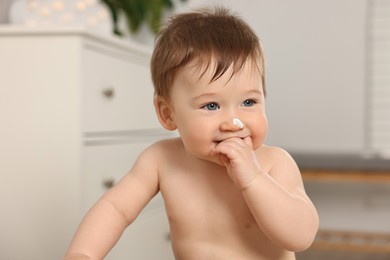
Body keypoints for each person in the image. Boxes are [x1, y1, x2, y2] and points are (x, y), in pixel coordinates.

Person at [64, 6, 319, 260]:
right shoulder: (161, 160)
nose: (233, 122)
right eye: (211, 105)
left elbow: (300, 236)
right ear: (168, 114)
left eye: (249, 102)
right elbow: (116, 208)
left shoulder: (274, 163)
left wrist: (253, 179)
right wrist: (83, 253)